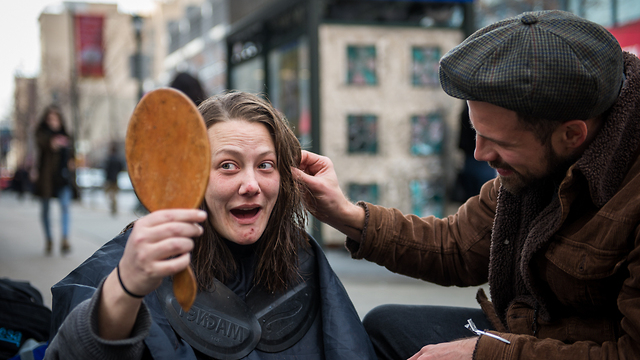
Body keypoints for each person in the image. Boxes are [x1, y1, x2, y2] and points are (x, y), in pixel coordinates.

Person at [295, 10, 640, 360]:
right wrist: (345, 215)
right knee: (387, 325)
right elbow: (457, 245)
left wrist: (485, 354)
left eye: (499, 142)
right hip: (530, 331)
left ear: (571, 134)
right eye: (476, 133)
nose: (478, 154)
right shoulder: (539, 164)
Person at [45, 91, 376, 359]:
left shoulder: (298, 254)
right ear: (193, 177)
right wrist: (125, 288)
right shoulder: (133, 260)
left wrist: (348, 215)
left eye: (265, 165)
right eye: (228, 165)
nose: (251, 184)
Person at [34, 105, 78, 255]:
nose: (53, 121)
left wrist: (72, 161)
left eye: (56, 118)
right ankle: (48, 239)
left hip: (63, 178)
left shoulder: (66, 135)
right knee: (45, 210)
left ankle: (65, 238)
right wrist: (52, 143)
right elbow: (42, 143)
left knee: (65, 207)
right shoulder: (42, 134)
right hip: (47, 179)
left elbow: (72, 153)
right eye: (50, 118)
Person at [103, 143, 124, 215]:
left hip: (109, 179)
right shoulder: (118, 159)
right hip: (115, 179)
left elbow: (105, 169)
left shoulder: (108, 159)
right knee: (114, 194)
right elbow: (121, 168)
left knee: (110, 194)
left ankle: (113, 207)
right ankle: (114, 207)